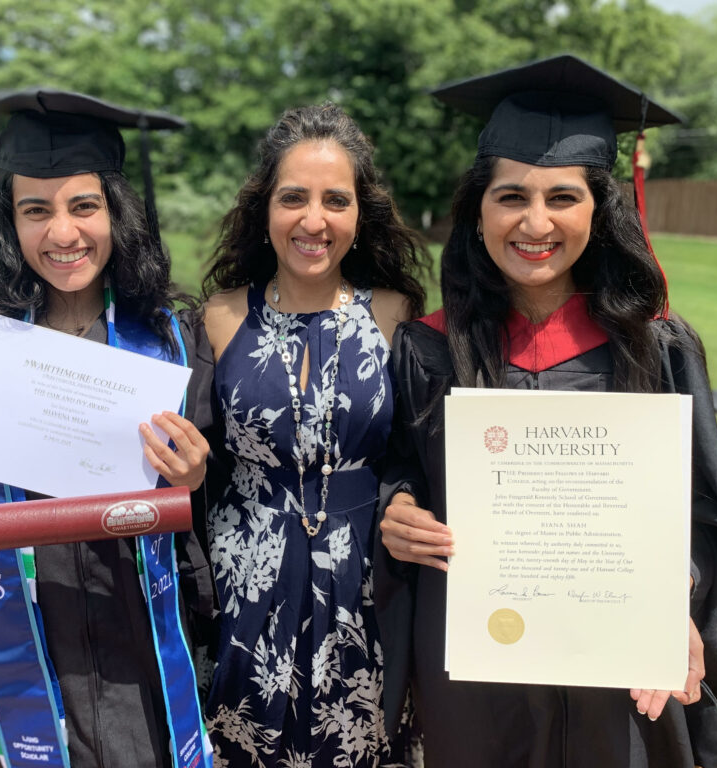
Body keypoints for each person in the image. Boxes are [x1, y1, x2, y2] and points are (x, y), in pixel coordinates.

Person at [375, 55, 717, 768]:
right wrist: (398, 509)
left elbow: (705, 516)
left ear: (599, 207)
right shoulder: (429, 349)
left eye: (562, 197)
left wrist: (674, 598)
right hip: (478, 680)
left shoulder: (659, 348)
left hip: (617, 675)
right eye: (511, 197)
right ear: (478, 210)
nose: (536, 222)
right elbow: (401, 471)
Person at [0, 89, 214, 768]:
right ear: (9, 221)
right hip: (20, 642)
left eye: (84, 206)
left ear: (117, 211)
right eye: (36, 211)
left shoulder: (174, 338)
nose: (62, 234)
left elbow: (220, 495)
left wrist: (197, 477)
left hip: (139, 641)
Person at [199, 103, 428, 766]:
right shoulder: (217, 318)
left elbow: (414, 455)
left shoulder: (395, 314)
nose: (313, 220)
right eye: (293, 198)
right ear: (263, 209)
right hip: (246, 583)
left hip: (365, 584)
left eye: (336, 200)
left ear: (361, 214)